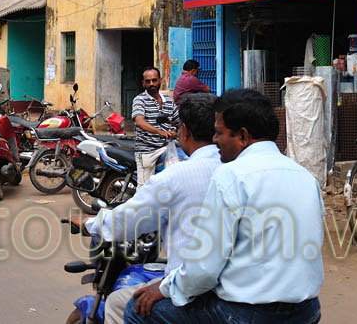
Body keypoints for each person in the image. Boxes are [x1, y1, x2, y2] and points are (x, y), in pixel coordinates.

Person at [127, 88, 324, 324]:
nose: (215, 140)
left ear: (242, 136)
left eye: (219, 133)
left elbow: (204, 269)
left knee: (135, 309)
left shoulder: (230, 176)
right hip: (307, 310)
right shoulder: (305, 176)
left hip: (246, 314)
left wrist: (165, 287)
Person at [78, 93, 221, 324]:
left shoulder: (174, 177)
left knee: (117, 303)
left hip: (195, 291)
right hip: (232, 289)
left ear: (183, 130)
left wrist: (90, 224)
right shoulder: (236, 169)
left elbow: (127, 220)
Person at [131, 67, 179, 185]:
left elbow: (178, 121)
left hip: (166, 148)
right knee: (144, 189)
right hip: (147, 150)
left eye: (154, 80)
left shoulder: (168, 100)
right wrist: (161, 132)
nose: (151, 84)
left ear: (160, 81)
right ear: (143, 84)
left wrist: (176, 132)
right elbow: (139, 122)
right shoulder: (140, 100)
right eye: (148, 81)